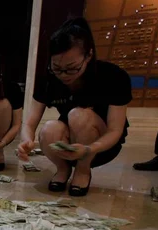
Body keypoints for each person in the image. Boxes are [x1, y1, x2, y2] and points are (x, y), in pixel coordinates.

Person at [18, 18, 132, 197]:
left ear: (89, 55)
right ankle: (62, 170)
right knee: (49, 129)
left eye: (72, 68)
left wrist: (89, 150)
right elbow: (29, 124)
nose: (63, 75)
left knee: (78, 115)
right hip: (69, 142)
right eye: (57, 68)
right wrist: (26, 141)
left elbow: (115, 131)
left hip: (102, 146)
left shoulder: (113, 76)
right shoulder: (49, 80)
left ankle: (83, 170)